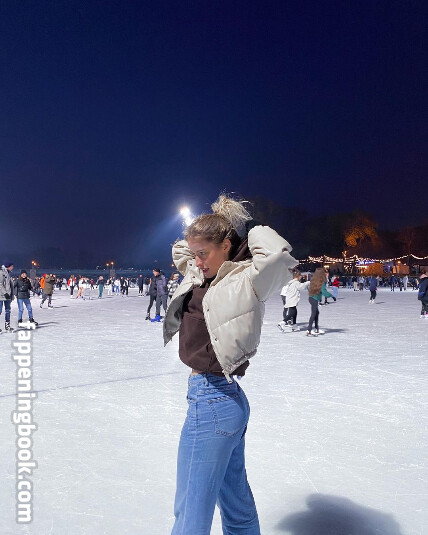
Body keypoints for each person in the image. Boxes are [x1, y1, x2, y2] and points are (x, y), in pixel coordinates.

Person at [162, 194, 297, 535]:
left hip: (211, 402)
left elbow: (277, 254)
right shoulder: (199, 272)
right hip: (225, 401)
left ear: (226, 246)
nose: (197, 260)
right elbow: (181, 250)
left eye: (204, 253)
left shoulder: (247, 279)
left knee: (191, 511)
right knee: (236, 507)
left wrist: (248, 230)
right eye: (196, 254)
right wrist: (209, 231)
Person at [307, 267, 333, 336]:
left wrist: (312, 292)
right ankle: (309, 330)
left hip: (311, 298)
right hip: (314, 299)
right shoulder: (321, 281)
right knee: (314, 314)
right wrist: (331, 296)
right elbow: (324, 291)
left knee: (316, 313)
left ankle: (316, 328)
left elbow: (308, 287)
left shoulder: (313, 280)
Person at [0, 261, 15, 332]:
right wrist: (5, 293)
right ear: (9, 266)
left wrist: (11, 295)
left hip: (8, 296)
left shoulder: (8, 273)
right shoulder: (1, 272)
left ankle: (7, 326)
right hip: (1, 295)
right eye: (12, 266)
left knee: (8, 311)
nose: (13, 267)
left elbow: (10, 285)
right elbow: (0, 284)